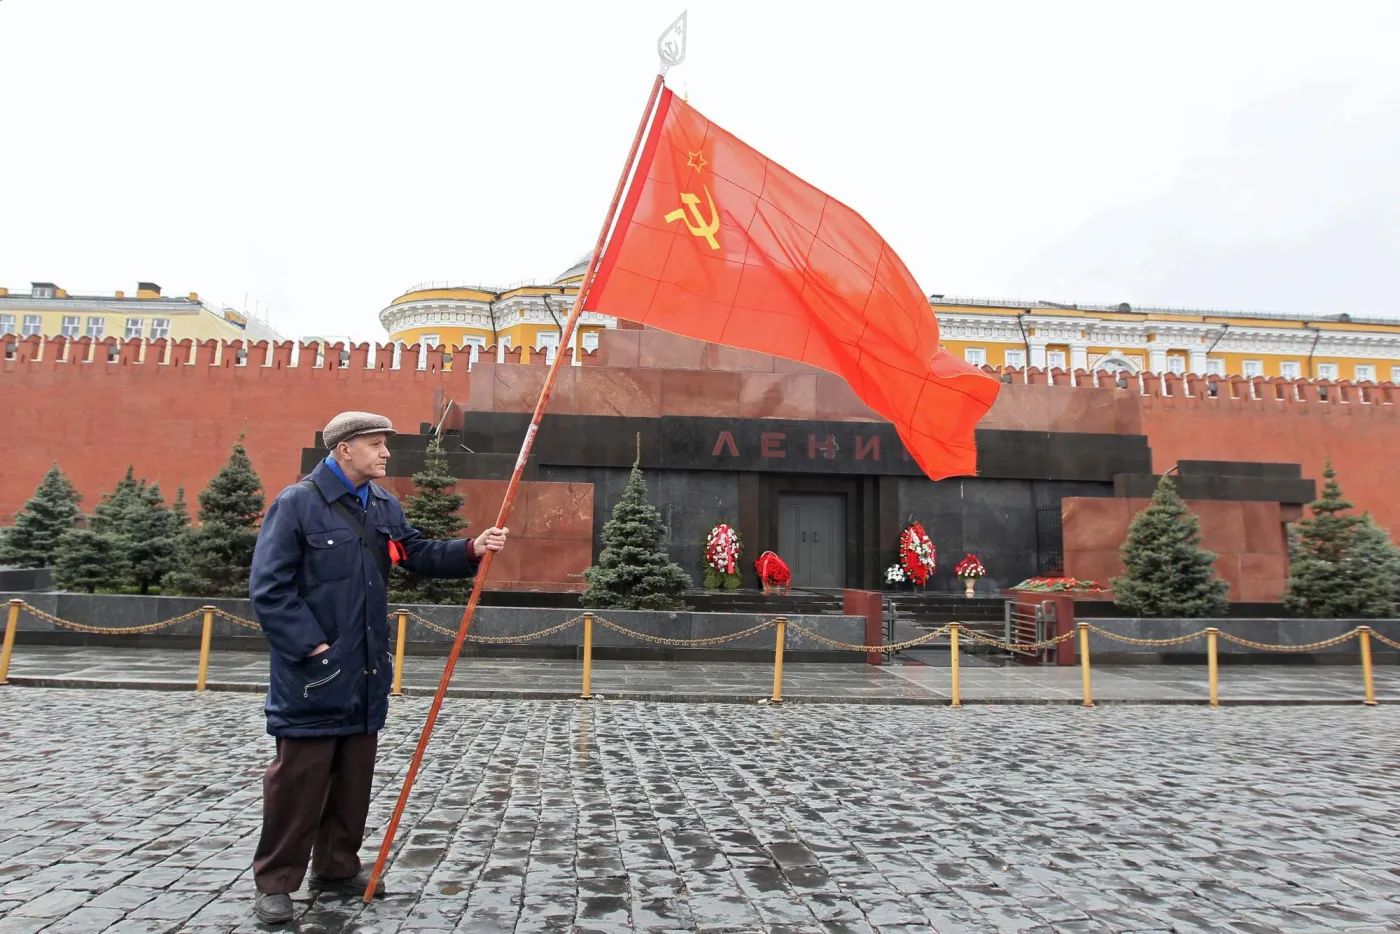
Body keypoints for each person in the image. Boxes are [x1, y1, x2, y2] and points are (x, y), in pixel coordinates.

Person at [247, 411, 507, 924]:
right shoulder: (299, 503)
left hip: (365, 670)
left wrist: (472, 548)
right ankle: (276, 881)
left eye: (384, 443)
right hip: (314, 673)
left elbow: (414, 553)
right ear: (344, 449)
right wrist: (313, 648)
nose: (386, 452)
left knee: (353, 781)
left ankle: (338, 868)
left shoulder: (382, 503)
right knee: (298, 783)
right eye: (375, 444)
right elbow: (269, 589)